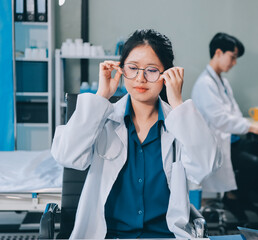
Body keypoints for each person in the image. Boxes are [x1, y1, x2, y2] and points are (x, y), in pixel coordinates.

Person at [51, 29, 220, 239]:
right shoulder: (102, 119)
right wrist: (101, 96)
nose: (140, 78)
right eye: (132, 68)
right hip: (111, 236)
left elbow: (206, 167)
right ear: (121, 70)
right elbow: (67, 155)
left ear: (167, 74)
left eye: (151, 70)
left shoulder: (180, 122)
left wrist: (178, 104)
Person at [191, 32, 258, 222]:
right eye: (233, 57)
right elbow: (220, 119)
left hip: (230, 140)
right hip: (215, 146)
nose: (234, 63)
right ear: (218, 52)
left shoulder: (222, 81)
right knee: (253, 163)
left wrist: (252, 125)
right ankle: (232, 198)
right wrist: (253, 128)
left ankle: (241, 197)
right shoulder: (205, 84)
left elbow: (234, 113)